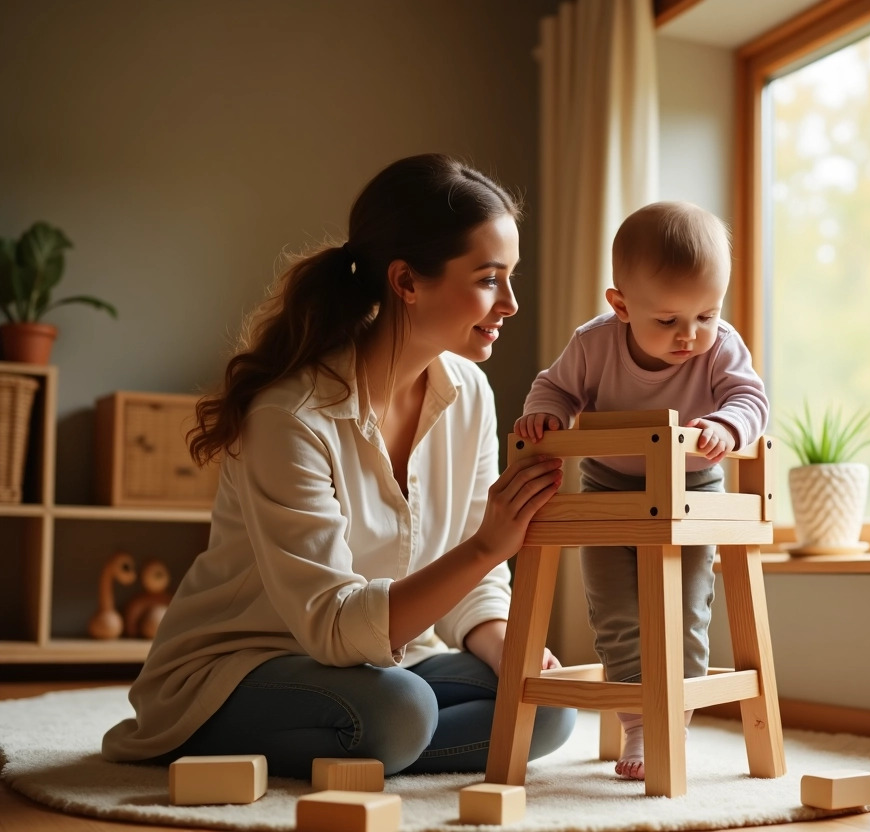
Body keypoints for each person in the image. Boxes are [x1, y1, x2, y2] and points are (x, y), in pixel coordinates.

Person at [102, 153, 576, 779]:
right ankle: (301, 739)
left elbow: (471, 585)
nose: (511, 303)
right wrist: (491, 545)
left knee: (547, 704)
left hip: (384, 665)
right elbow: (331, 626)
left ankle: (381, 744)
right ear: (406, 282)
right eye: (490, 279)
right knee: (399, 711)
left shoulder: (470, 394)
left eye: (511, 277)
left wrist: (506, 644)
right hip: (245, 668)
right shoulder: (291, 416)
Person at [513, 201, 769, 780]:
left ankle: (668, 720)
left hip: (691, 488)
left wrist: (727, 427)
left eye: (707, 314)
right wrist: (545, 416)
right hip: (605, 486)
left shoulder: (721, 347)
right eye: (669, 320)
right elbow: (554, 388)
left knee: (684, 614)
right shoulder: (593, 344)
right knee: (616, 612)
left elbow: (751, 400)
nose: (690, 335)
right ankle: (638, 720)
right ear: (621, 305)